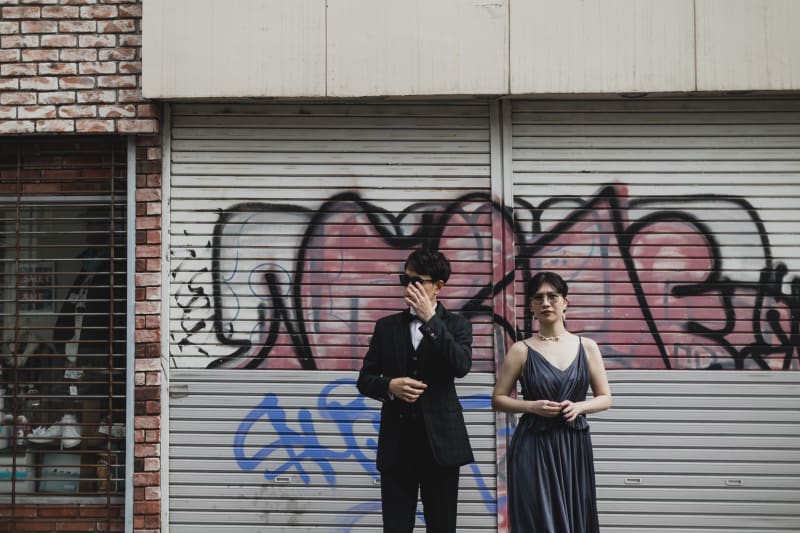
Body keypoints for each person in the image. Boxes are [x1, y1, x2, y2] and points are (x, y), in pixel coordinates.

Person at [357, 248, 474, 533]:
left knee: (442, 527)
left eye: (418, 281)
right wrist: (390, 385)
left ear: (439, 286)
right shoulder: (386, 327)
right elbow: (365, 379)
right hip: (397, 446)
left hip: (441, 446)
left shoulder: (457, 325)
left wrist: (431, 321)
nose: (409, 287)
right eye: (405, 279)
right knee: (395, 527)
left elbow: (460, 366)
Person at [492, 271, 612, 533]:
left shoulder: (587, 347)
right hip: (533, 445)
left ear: (565, 301)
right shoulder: (521, 350)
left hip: (573, 445)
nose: (546, 303)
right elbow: (498, 399)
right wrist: (531, 406)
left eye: (552, 296)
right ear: (531, 306)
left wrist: (579, 407)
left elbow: (605, 398)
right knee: (537, 518)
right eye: (538, 298)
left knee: (574, 514)